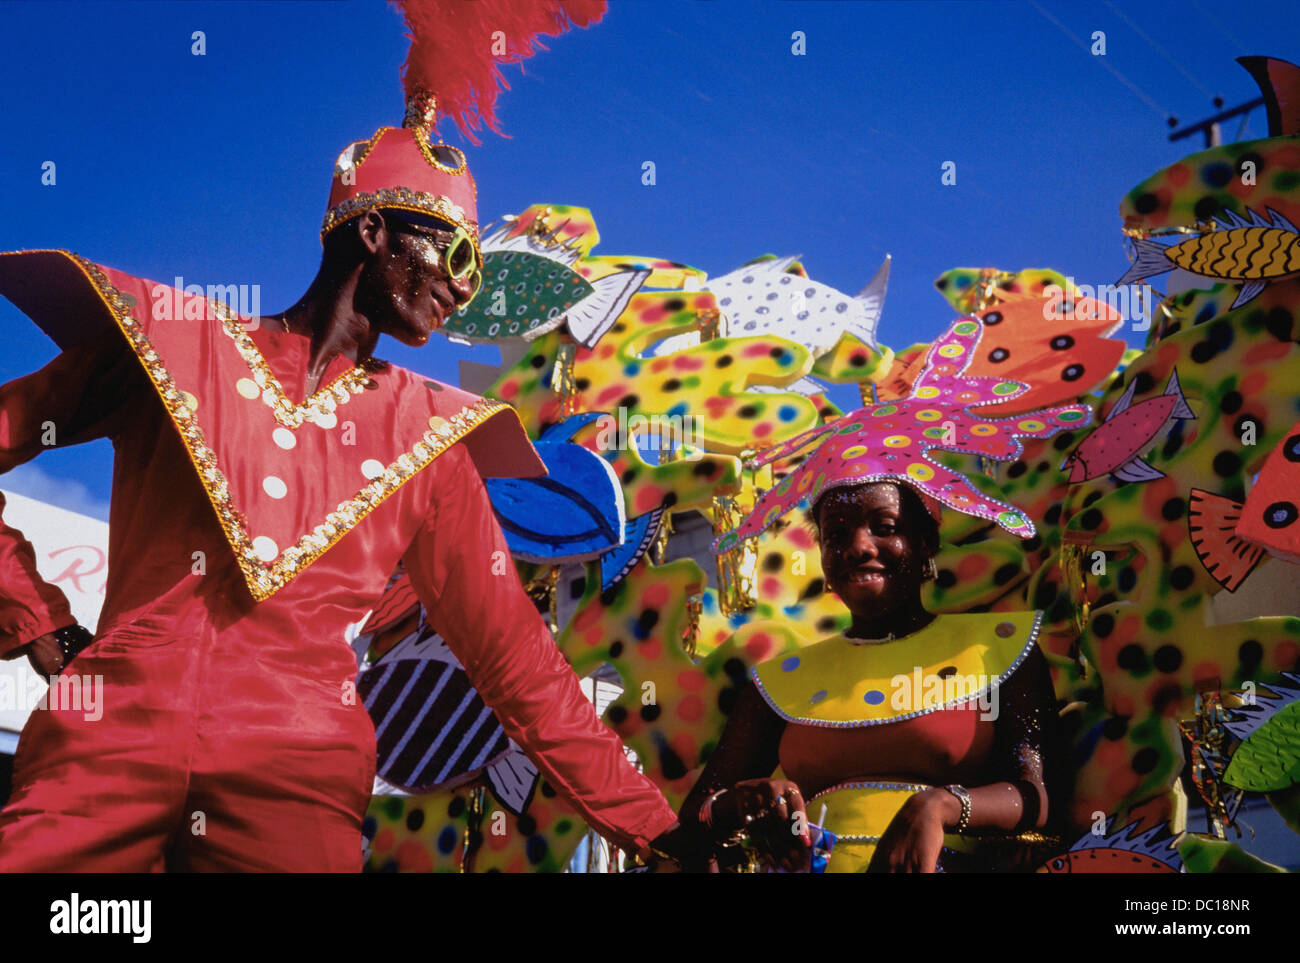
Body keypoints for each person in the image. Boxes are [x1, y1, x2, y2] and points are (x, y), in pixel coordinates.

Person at [0, 51, 683, 869]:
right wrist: (36, 618)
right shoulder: (172, 339)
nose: (463, 291)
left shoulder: (430, 439)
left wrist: (663, 830)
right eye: (457, 257)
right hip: (107, 738)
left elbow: (520, 663)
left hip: (298, 774)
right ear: (374, 230)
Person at [673, 317, 1088, 872]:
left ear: (924, 545)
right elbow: (696, 815)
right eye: (837, 535)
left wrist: (941, 807)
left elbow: (1044, 799)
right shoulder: (779, 679)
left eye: (884, 527)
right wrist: (744, 804)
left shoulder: (1000, 647)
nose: (859, 548)